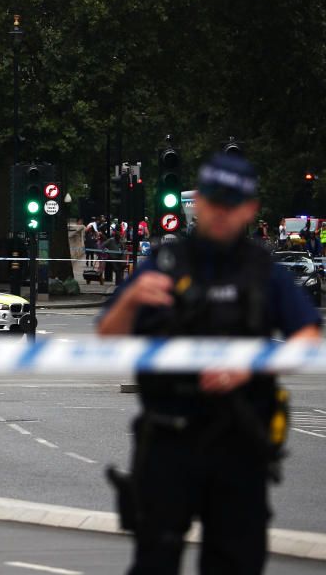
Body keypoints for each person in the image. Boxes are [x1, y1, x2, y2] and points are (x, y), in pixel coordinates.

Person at [97, 153, 321, 575]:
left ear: (250, 208)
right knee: (155, 559)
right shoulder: (164, 263)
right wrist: (129, 298)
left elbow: (308, 336)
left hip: (239, 439)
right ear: (198, 203)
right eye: (214, 200)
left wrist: (252, 365)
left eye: (232, 202)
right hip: (169, 434)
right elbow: (107, 335)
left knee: (235, 561)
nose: (221, 212)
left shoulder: (263, 271)